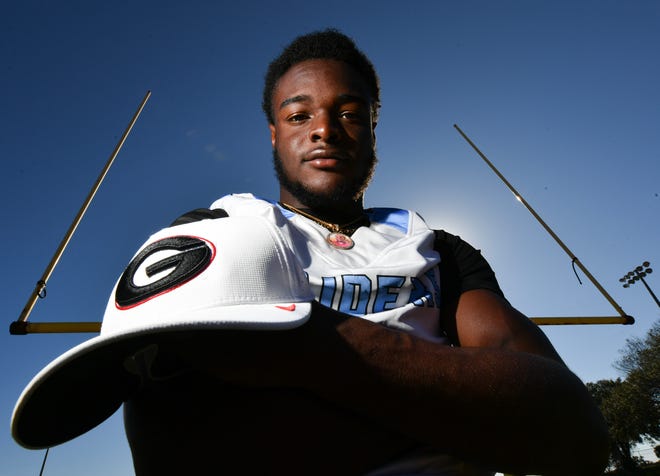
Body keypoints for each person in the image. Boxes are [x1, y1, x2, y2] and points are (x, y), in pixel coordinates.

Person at [123, 29, 609, 475]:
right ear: (275, 133)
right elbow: (174, 442)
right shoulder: (216, 231)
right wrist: (455, 413)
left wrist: (310, 347)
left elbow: (569, 425)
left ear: (374, 128)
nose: (324, 130)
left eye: (350, 113)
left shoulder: (438, 248)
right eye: (299, 115)